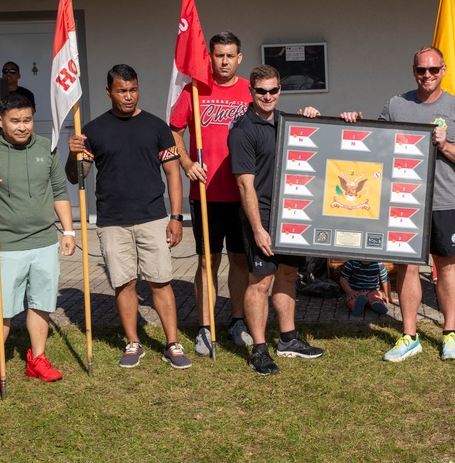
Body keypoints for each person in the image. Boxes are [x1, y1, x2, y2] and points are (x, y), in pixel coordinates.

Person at [341, 46, 455, 362]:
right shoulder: (396, 105)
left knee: (446, 267)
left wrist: (445, 146)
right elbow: (373, 146)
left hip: (443, 202)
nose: (427, 75)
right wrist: (354, 122)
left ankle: (449, 334)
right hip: (402, 203)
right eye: (421, 70)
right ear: (413, 71)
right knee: (406, 268)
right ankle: (409, 336)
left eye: (433, 69)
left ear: (443, 70)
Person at [66, 64, 190, 369]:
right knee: (124, 283)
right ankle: (133, 342)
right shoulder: (93, 131)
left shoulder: (157, 126)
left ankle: (172, 343)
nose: (128, 96)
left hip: (152, 217)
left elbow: (173, 173)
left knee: (160, 281)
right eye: (121, 90)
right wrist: (73, 154)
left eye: (133, 89)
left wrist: (176, 216)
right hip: (111, 220)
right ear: (108, 92)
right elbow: (76, 178)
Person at [0, 92, 76, 392]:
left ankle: (37, 359)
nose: (22, 126)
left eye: (27, 119)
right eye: (15, 121)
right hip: (7, 245)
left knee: (41, 304)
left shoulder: (46, 147)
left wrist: (68, 232)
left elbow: (59, 191)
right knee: (3, 309)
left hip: (43, 242)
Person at [228, 64, 325, 375]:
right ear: (251, 91)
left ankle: (288, 339)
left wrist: (310, 118)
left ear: (280, 90)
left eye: (273, 90)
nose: (267, 96)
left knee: (287, 274)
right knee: (260, 281)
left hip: (292, 212)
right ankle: (259, 349)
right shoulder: (243, 130)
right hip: (264, 215)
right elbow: (245, 184)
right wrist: (257, 229)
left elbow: (317, 148)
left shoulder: (287, 122)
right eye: (261, 91)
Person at [169, 32, 252, 353]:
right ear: (210, 57)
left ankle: (238, 320)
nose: (225, 61)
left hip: (242, 194)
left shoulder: (249, 91)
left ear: (239, 57)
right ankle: (206, 326)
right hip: (205, 193)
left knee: (240, 261)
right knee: (207, 261)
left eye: (231, 55)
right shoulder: (194, 89)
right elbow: (174, 129)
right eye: (219, 56)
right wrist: (187, 161)